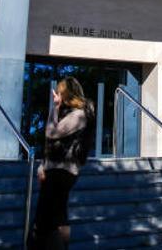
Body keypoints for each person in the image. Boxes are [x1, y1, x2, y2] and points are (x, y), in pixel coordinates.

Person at [34, 77, 95, 250]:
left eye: (60, 92)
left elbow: (52, 133)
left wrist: (54, 108)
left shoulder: (80, 115)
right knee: (55, 215)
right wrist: (42, 165)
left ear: (67, 93)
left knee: (51, 218)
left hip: (63, 171)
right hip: (56, 169)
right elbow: (51, 143)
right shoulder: (69, 113)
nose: (58, 95)